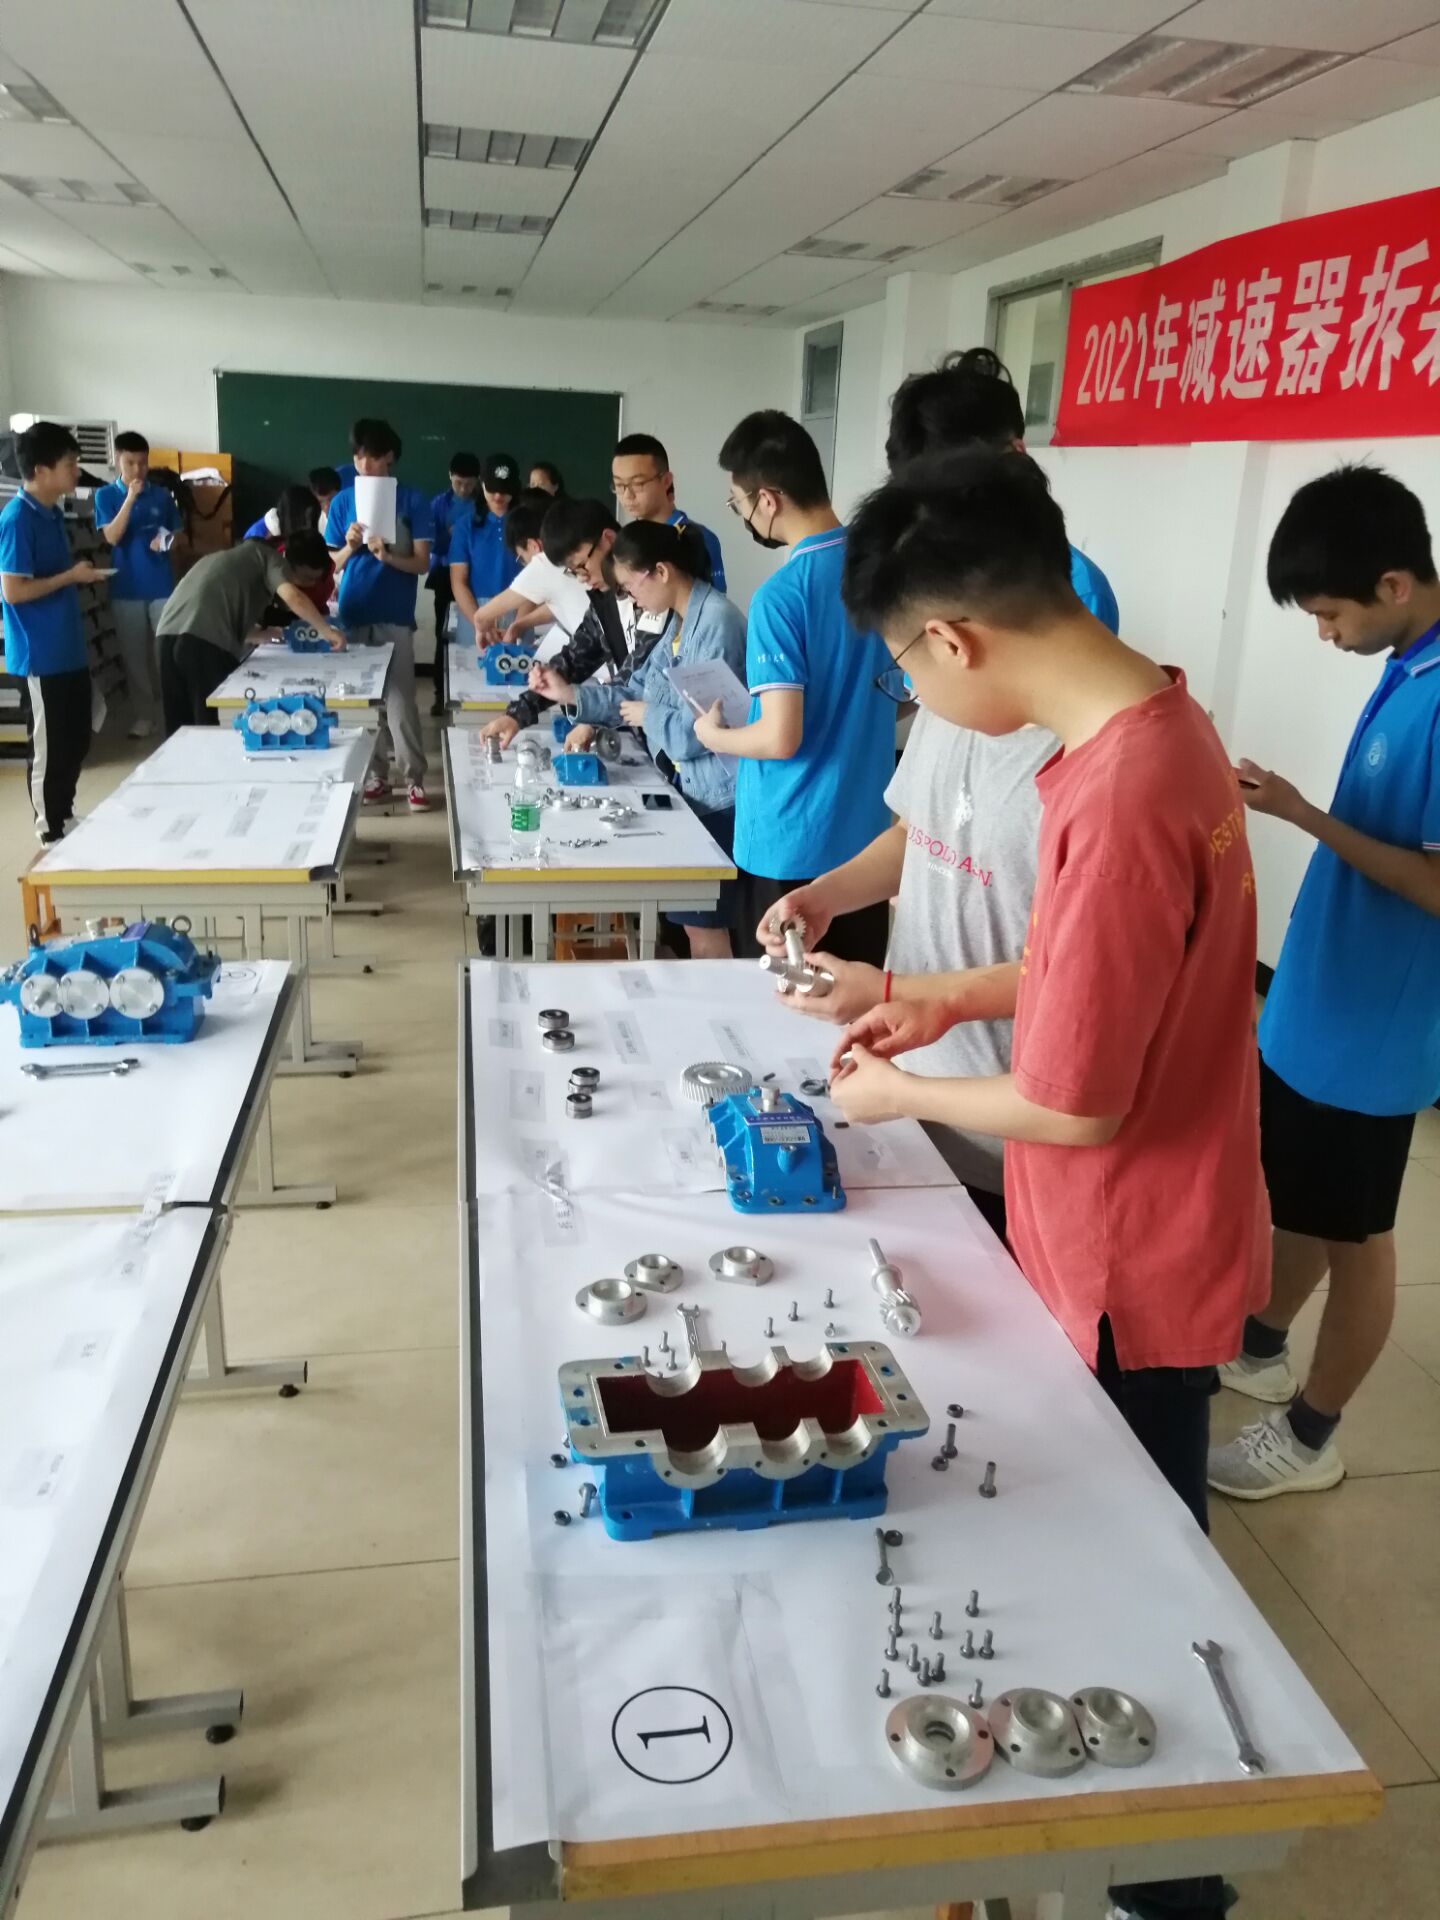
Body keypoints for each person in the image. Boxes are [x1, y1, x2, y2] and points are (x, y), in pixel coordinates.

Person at [830, 450, 1264, 1920]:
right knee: (1124, 1554)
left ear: (951, 639)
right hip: (1145, 1223)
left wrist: (896, 1096)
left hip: (1134, 1253)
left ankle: (1171, 1887)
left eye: (904, 671)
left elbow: (1076, 1104)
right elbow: (1103, 966)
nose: (914, 696)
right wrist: (945, 993)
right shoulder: (1154, 728)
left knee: (1139, 1587)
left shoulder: (1122, 789)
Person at [756, 347, 1119, 1237]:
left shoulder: (1085, 725)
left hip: (1011, 1113)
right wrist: (827, 894)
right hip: (920, 1082)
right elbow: (925, 829)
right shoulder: (949, 663)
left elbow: (1079, 1000)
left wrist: (896, 991)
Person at [1208, 465, 1440, 1503]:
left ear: (1395, 583)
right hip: (1322, 1004)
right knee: (1298, 1192)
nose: (1324, 634)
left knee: (1363, 1236)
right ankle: (1261, 1347)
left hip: (1375, 1033)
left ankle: (1312, 1437)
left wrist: (1302, 814)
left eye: (1330, 613)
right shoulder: (1411, 663)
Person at [694, 409, 892, 965]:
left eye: (738, 504)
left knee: (782, 995)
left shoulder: (783, 595)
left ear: (767, 499)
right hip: (866, 846)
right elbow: (900, 698)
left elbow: (781, 737)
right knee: (850, 996)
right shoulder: (881, 573)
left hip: (790, 839)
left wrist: (714, 735)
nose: (742, 516)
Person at [533, 519, 748, 956]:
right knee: (692, 927)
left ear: (661, 572)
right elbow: (635, 689)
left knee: (706, 929)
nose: (632, 598)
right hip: (692, 789)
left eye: (632, 586)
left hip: (721, 796)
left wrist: (650, 717)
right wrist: (570, 694)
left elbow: (700, 734)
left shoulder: (717, 623)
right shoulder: (679, 623)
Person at [324, 417, 434, 811]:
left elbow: (422, 563)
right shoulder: (342, 502)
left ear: (389, 456)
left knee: (401, 700)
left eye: (371, 456)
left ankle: (414, 779)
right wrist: (350, 546)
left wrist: (387, 557)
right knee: (361, 701)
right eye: (358, 457)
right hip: (354, 610)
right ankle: (375, 775)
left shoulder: (413, 500)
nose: (363, 464)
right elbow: (330, 566)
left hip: (395, 612)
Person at [0, 422, 102, 843]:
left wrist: (77, 576)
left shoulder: (53, 512)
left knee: (76, 739)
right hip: (39, 655)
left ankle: (64, 813)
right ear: (41, 471)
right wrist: (70, 577)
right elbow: (13, 591)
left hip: (67, 648)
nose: (76, 471)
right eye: (69, 464)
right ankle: (49, 828)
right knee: (49, 746)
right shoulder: (17, 518)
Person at [477, 498, 631, 748]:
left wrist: (592, 719)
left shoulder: (649, 599)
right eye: (573, 572)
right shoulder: (604, 600)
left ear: (608, 540)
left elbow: (640, 681)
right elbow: (575, 659)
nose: (582, 579)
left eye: (581, 566)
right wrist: (516, 715)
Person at [155, 531, 341, 733]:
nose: (310, 585)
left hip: (165, 636)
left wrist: (261, 635)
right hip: (202, 644)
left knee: (179, 728)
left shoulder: (233, 560)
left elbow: (217, 613)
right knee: (210, 725)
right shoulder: (270, 558)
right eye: (308, 578)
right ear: (290, 563)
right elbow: (293, 597)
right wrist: (326, 630)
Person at [94, 429, 181, 738]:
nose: (138, 469)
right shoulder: (105, 496)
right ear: (118, 460)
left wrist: (166, 541)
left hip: (162, 586)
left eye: (143, 463)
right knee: (134, 658)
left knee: (166, 654)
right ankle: (145, 716)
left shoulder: (162, 495)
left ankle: (173, 714)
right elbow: (112, 537)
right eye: (130, 463)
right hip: (126, 588)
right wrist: (130, 499)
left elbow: (177, 534)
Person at [464, 491, 589, 655]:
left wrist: (481, 629)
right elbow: (558, 605)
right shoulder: (568, 556)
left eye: (521, 558)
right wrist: (519, 625)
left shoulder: (544, 563)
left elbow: (482, 617)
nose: (525, 565)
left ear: (533, 546)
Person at [611, 431, 726, 592]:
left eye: (638, 483)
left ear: (666, 481)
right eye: (619, 485)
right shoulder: (627, 542)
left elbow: (714, 603)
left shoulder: (698, 539)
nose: (627, 495)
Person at [448, 452, 520, 653]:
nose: (498, 496)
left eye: (505, 491)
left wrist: (518, 624)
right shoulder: (465, 526)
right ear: (482, 484)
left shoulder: (528, 525)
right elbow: (458, 582)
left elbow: (537, 579)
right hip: (475, 611)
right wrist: (480, 623)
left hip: (519, 610)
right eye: (492, 489)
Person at [427, 450, 481, 715]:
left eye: (469, 484)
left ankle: (475, 689)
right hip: (444, 576)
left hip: (476, 577)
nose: (463, 489)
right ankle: (441, 695)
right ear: (450, 477)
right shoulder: (439, 504)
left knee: (476, 630)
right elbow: (429, 543)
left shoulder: (483, 503)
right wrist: (451, 535)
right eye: (459, 483)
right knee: (443, 636)